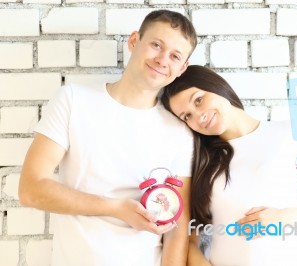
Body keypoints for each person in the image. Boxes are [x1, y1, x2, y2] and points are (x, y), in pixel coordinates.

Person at [19, 10, 197, 266]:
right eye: (156, 45)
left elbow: (178, 227)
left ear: (182, 68)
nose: (162, 60)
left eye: (175, 56)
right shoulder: (73, 100)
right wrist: (117, 208)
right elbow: (31, 189)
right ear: (134, 41)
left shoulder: (180, 132)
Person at [160, 65, 297, 266]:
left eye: (198, 100)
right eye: (187, 116)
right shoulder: (200, 162)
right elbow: (191, 239)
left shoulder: (291, 132)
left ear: (215, 86)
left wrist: (279, 218)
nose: (198, 116)